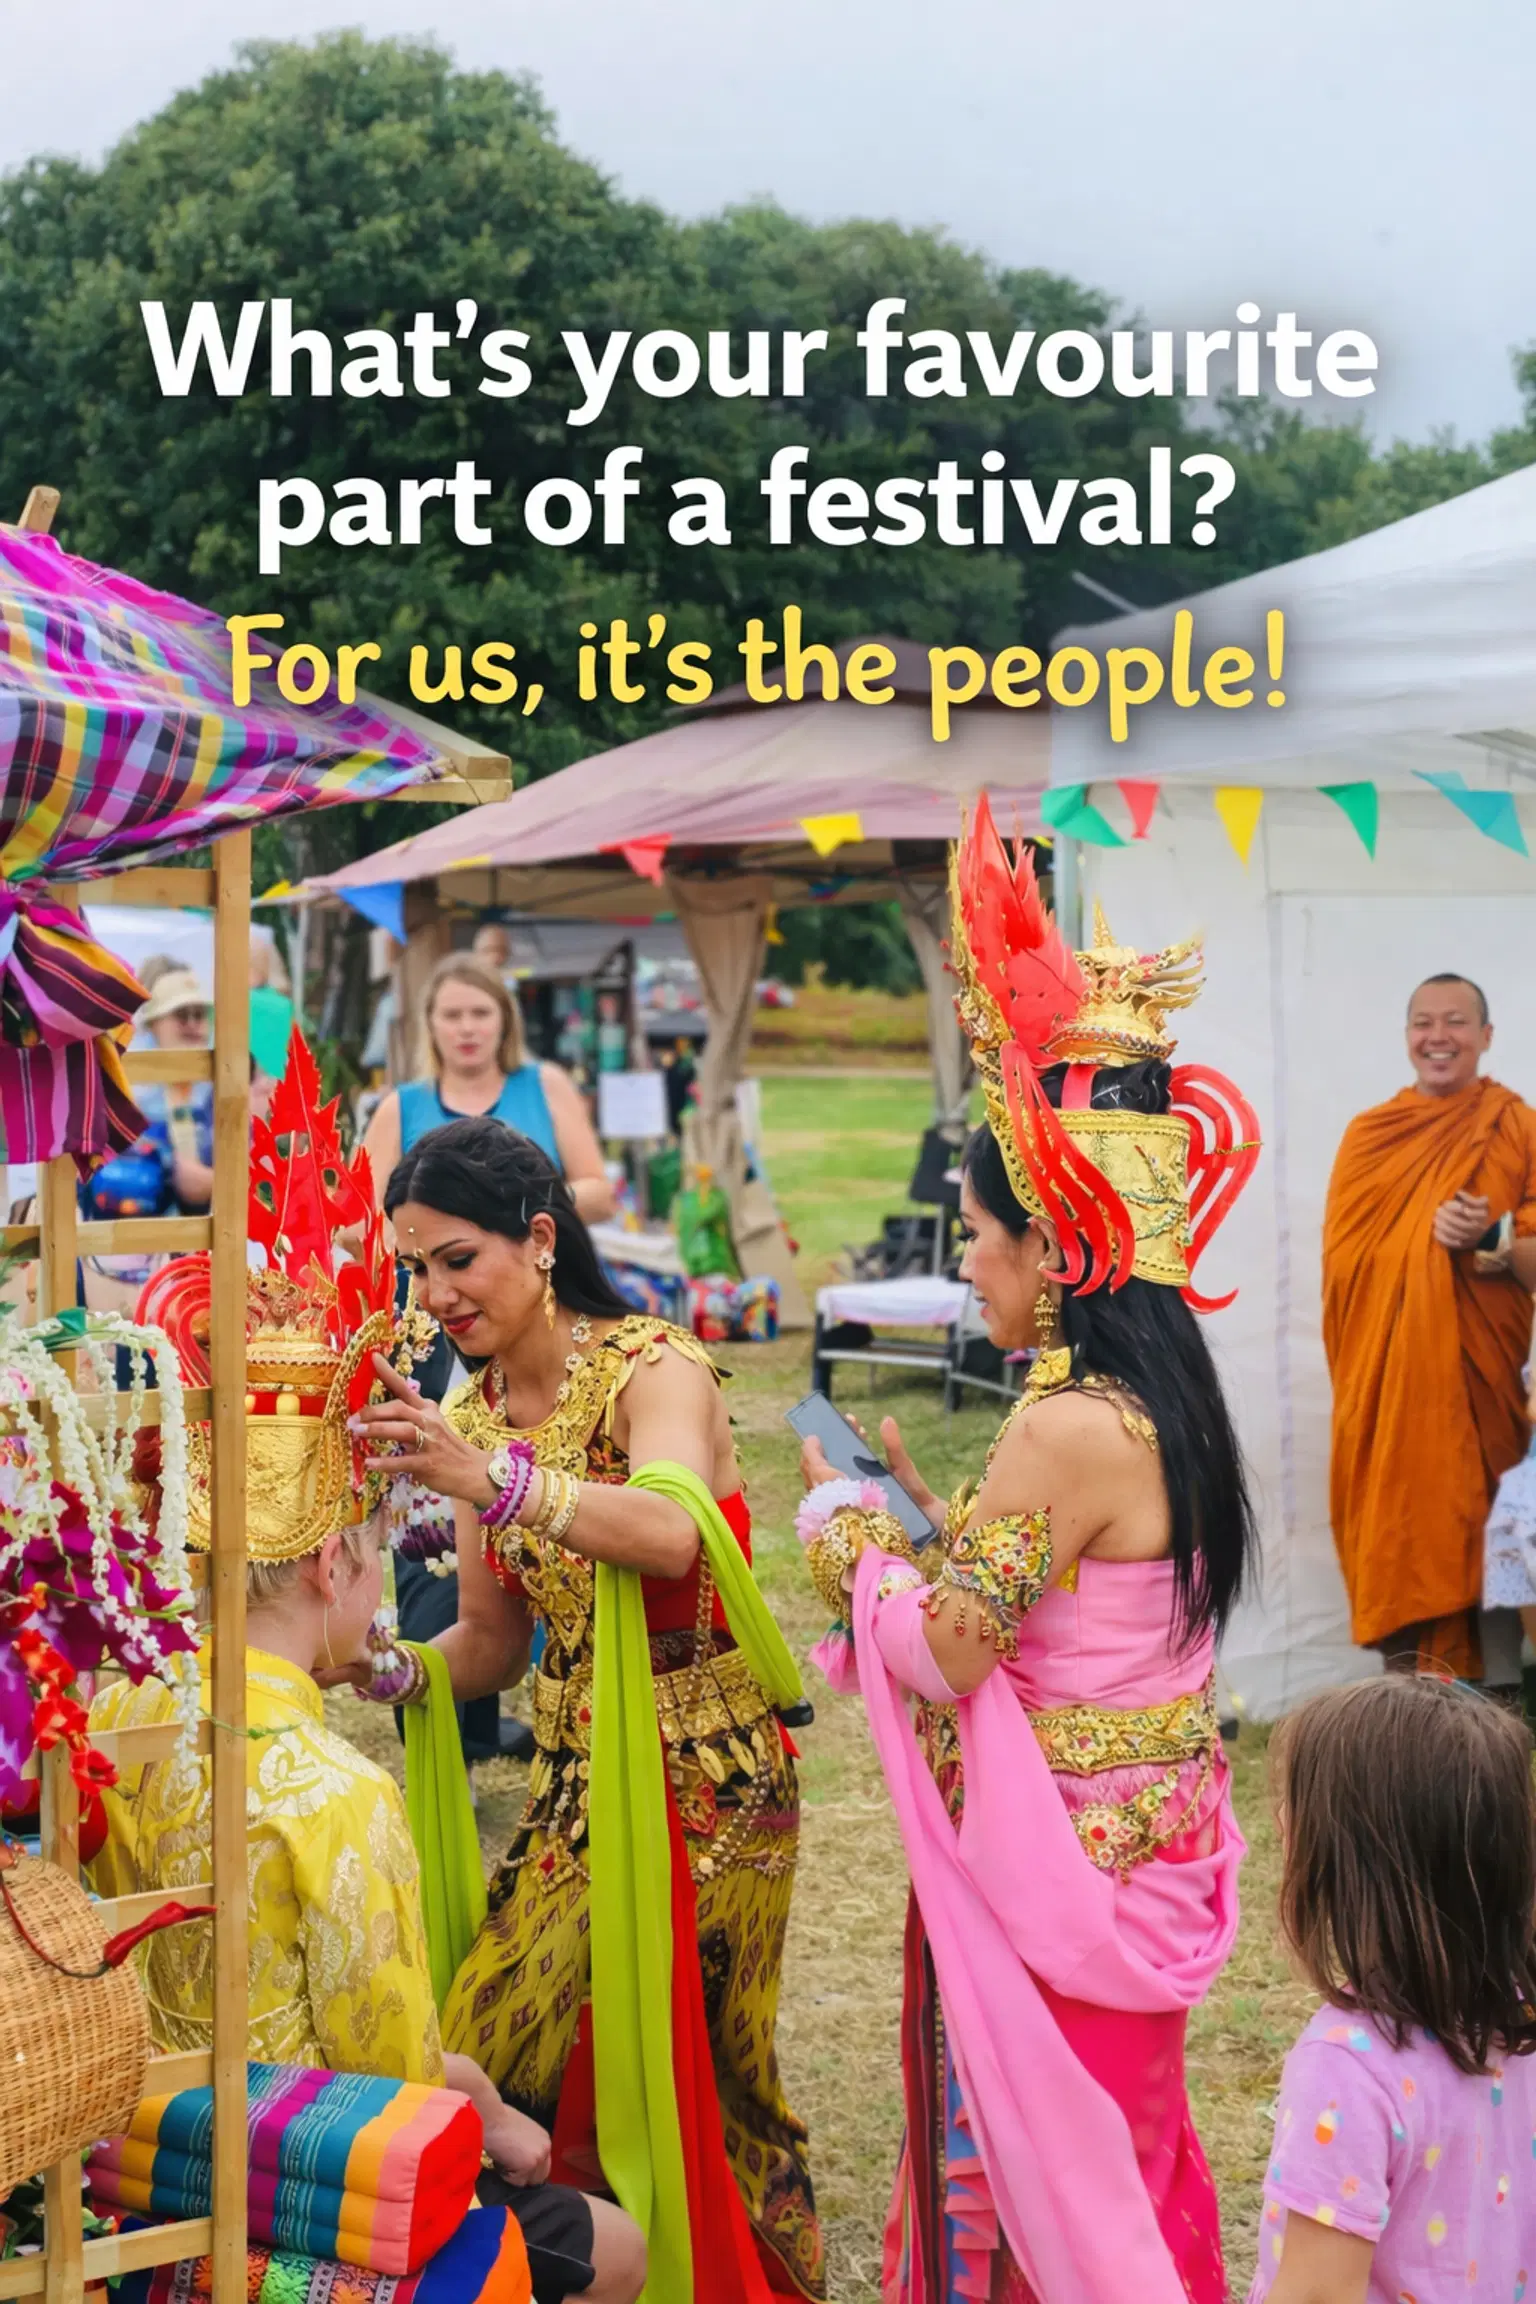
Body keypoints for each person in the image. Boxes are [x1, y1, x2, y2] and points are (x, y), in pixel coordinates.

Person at [795, 800, 1261, 2304]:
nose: (966, 1262)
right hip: (1148, 1850)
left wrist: (847, 1536)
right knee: (1133, 2156)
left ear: (1057, 1248)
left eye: (978, 1234)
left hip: (1062, 1882)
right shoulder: (1164, 1393)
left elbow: (945, 1651)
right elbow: (1076, 1608)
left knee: (1047, 2189)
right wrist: (940, 1537)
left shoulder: (1065, 1429)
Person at [91, 1037, 644, 2304]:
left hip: (136, 2164)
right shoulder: (336, 1798)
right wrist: (499, 2123)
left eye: (457, 1260)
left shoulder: (112, 1723)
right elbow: (392, 2088)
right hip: (296, 2191)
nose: (439, 1287)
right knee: (625, 2249)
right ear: (343, 1566)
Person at [346, 1117, 826, 2303]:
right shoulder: (481, 1401)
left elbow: (671, 1529)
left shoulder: (652, 1366)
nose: (435, 1291)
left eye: (456, 1258)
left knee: (713, 2078)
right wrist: (382, 1669)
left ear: (541, 1238)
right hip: (572, 1783)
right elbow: (494, 1644)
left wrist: (491, 1476)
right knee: (492, 2043)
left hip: (710, 1781)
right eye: (415, 1267)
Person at [1249, 1675, 1536, 2304]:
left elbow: (1316, 2295)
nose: (1280, 1819)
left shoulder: (1346, 2064)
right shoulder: (1515, 2011)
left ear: (1356, 1860)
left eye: (1300, 1806)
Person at [1323, 973, 1536, 1680]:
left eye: (1456, 1022)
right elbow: (1345, 1271)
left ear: (1487, 1036)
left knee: (1491, 1546)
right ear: (1407, 1035)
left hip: (1486, 1392)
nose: (1438, 1038)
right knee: (1409, 1532)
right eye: (1423, 1023)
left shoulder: (1517, 1125)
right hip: (1397, 1396)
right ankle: (1418, 1725)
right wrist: (1423, 1244)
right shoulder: (1369, 1138)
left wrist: (1492, 1235)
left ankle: (1501, 1707)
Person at [363, 956, 614, 1227]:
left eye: (481, 1013)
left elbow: (601, 1197)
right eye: (452, 1016)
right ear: (430, 1024)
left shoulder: (547, 1085)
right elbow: (359, 1219)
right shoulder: (399, 1107)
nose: (467, 1028)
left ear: (505, 1020)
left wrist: (526, 1201)